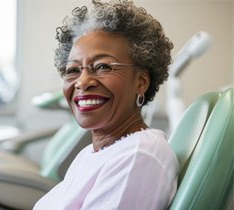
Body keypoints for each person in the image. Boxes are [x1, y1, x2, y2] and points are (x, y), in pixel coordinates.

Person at [34, 0, 179, 209]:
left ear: (141, 81)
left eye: (102, 66)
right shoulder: (90, 154)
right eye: (73, 70)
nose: (82, 82)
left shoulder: (137, 157)